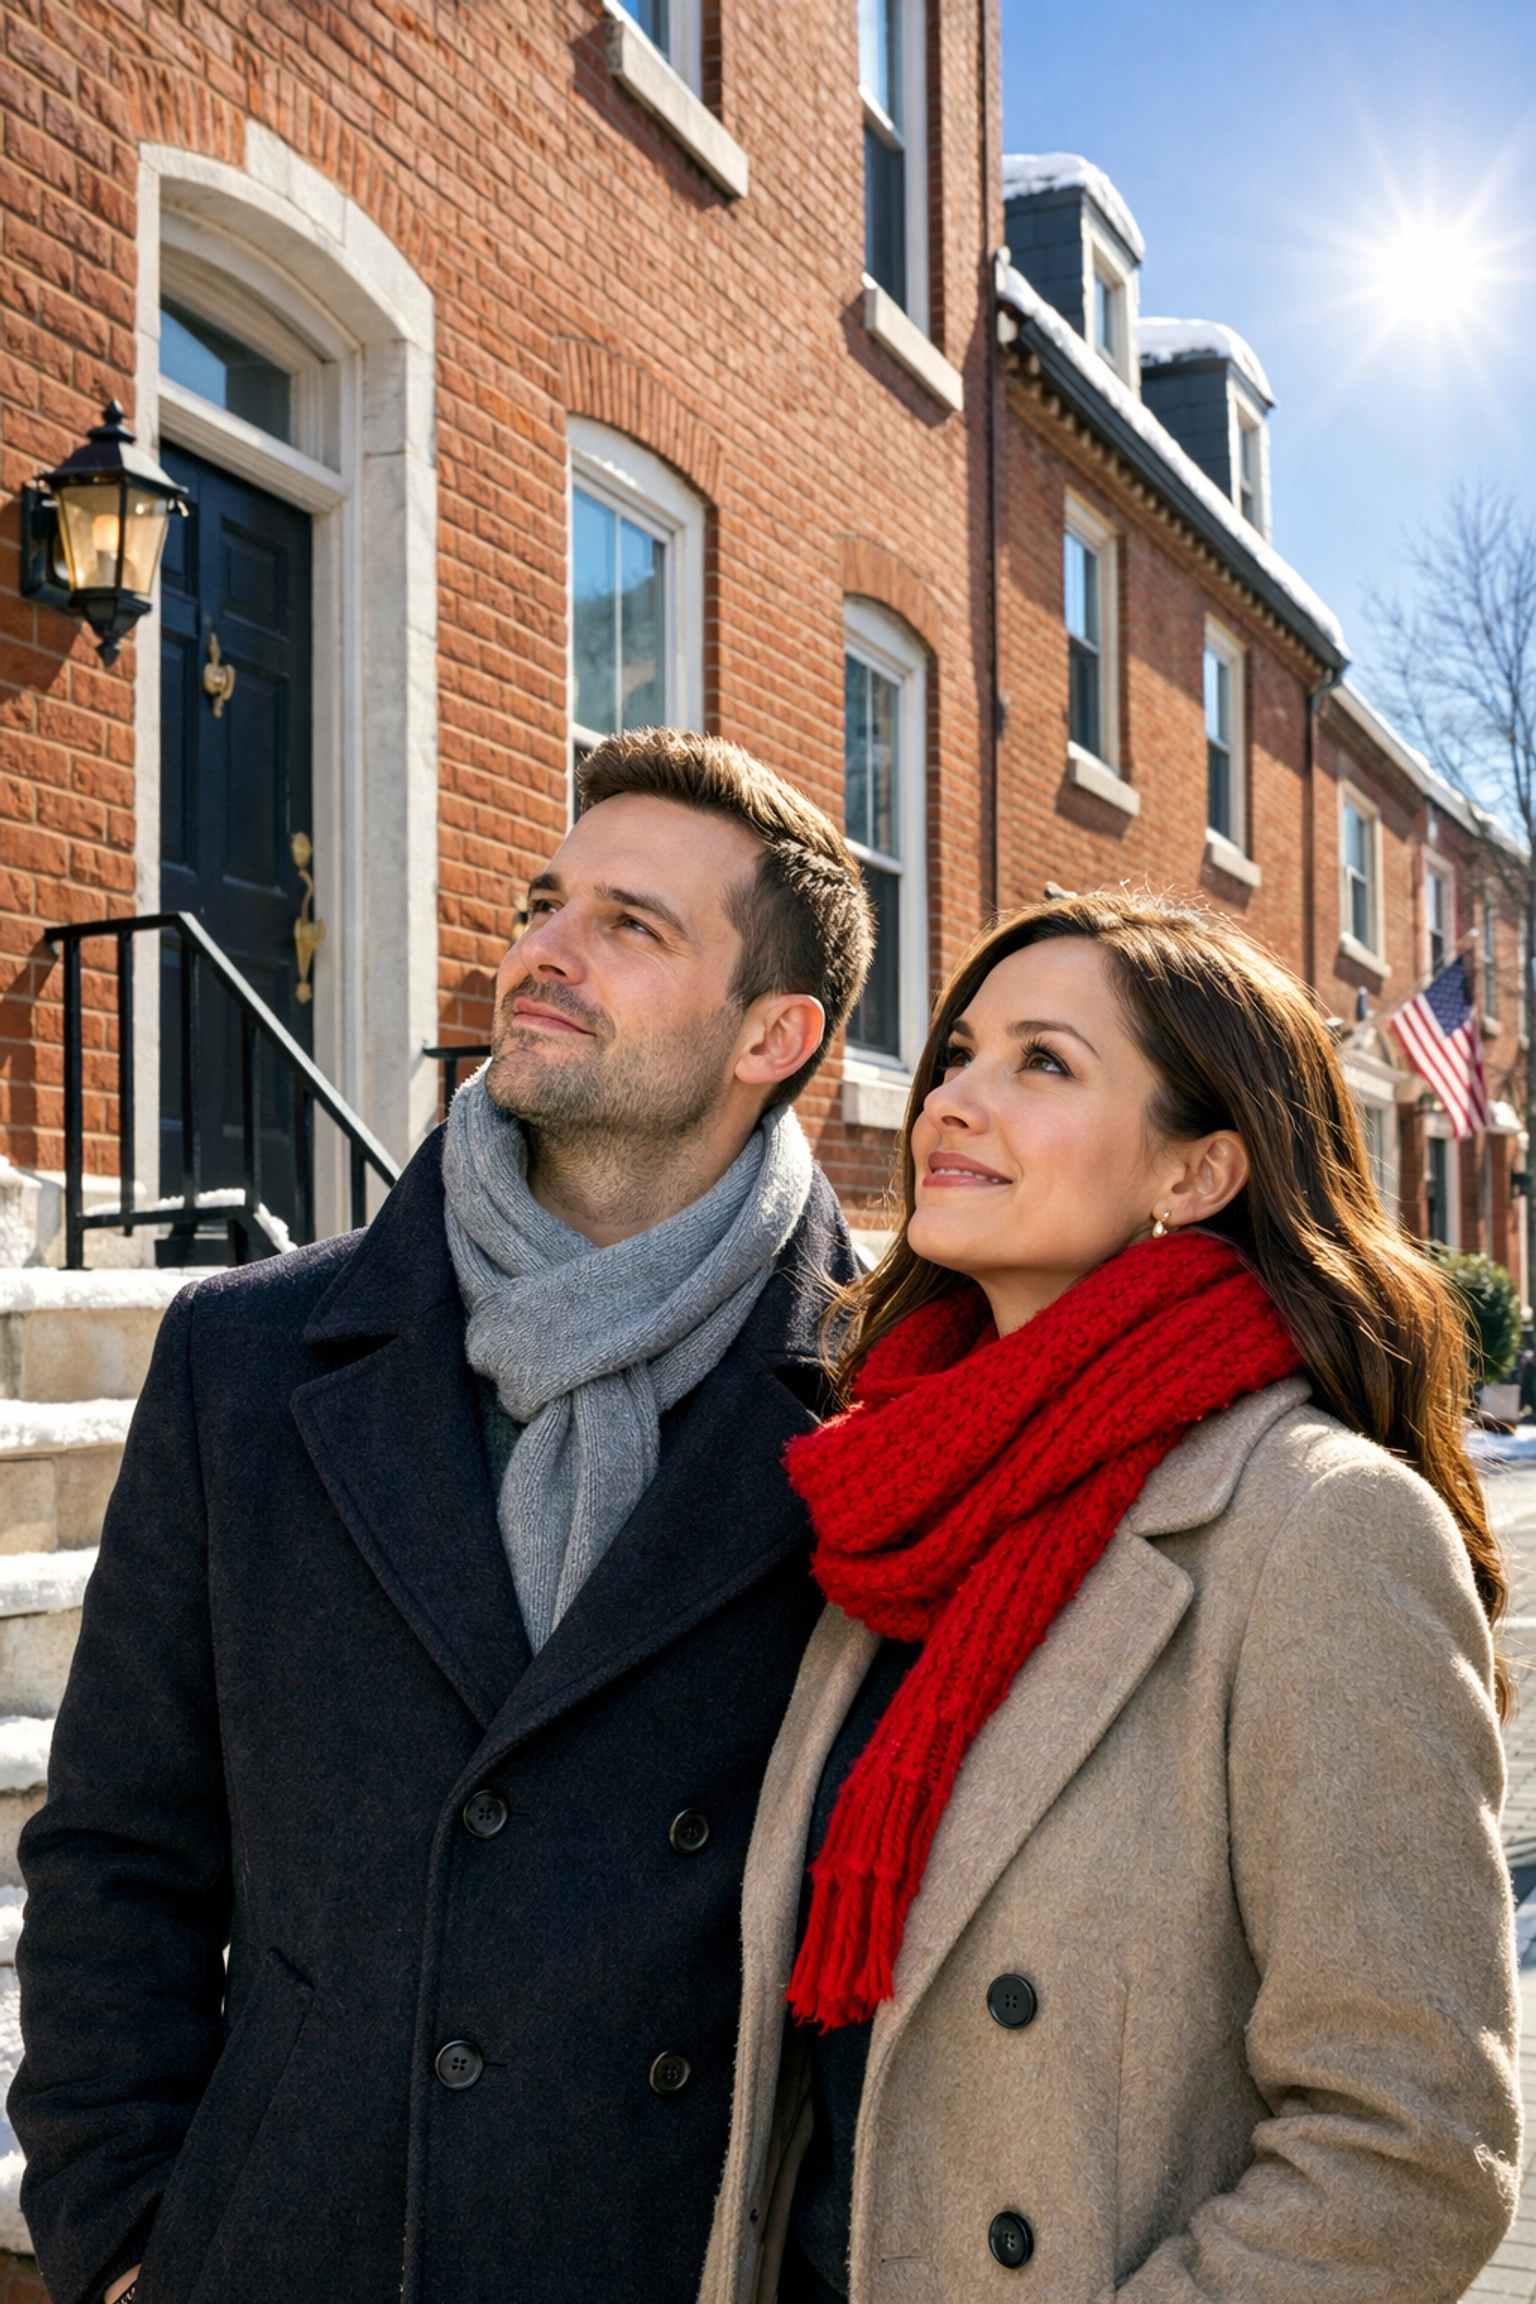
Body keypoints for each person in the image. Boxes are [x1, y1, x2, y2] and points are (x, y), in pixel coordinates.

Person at [11, 730, 874, 2304]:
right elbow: (119, 1854)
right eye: (550, 901)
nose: (544, 947)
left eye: (632, 925)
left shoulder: (887, 1410)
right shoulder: (248, 1357)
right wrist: (123, 2237)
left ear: (775, 1033)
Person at [701, 892, 1521, 2304]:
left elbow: (1409, 2150)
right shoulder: (898, 1490)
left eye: (1043, 1063)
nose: (952, 1098)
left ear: (1198, 1175)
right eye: (958, 1053)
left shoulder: (1321, 1528)